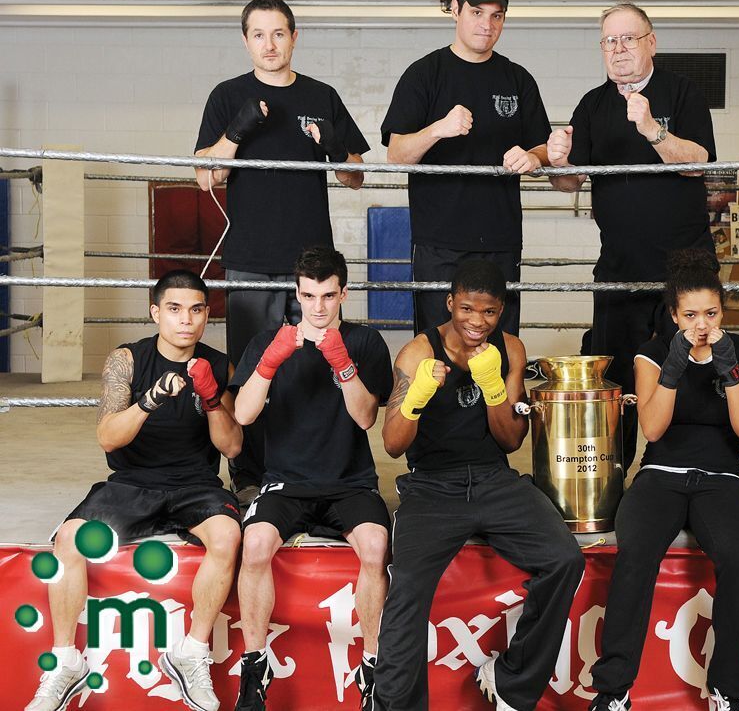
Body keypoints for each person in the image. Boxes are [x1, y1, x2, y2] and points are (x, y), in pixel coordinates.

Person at [24, 270, 243, 711]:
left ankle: (191, 652)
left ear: (206, 315)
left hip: (194, 485)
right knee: (69, 539)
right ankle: (66, 661)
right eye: (175, 309)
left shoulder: (219, 365)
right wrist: (150, 400)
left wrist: (212, 400)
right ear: (155, 312)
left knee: (229, 536)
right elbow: (108, 437)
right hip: (133, 483)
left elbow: (233, 445)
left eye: (197, 310)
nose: (187, 320)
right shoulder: (127, 359)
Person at [372, 259, 585, 711]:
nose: (476, 321)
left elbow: (510, 439)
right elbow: (392, 445)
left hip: (493, 480)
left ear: (501, 311)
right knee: (407, 584)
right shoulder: (417, 353)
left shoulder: (510, 349)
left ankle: (511, 681)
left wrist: (492, 386)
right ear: (451, 303)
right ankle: (392, 705)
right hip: (431, 486)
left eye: (488, 312)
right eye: (467, 308)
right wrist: (414, 401)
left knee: (565, 559)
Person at [195, 0, 370, 502]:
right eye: (258, 34)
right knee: (250, 370)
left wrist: (336, 145)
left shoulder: (322, 94)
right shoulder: (227, 96)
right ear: (245, 40)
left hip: (313, 269)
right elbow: (207, 176)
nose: (269, 45)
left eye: (279, 34)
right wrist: (236, 131)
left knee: (317, 366)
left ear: (294, 37)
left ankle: (316, 468)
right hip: (249, 258)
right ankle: (249, 475)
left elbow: (355, 175)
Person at [588, 249, 739, 711]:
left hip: (722, 477)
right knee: (635, 553)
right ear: (673, 315)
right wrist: (675, 363)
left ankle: (729, 691)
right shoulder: (652, 353)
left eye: (710, 313)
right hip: (660, 475)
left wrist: (727, 369)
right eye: (690, 314)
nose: (702, 324)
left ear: (723, 311)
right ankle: (613, 691)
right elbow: (652, 429)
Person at [546, 1, 717, 471]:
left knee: (688, 369)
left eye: (629, 39)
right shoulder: (592, 104)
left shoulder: (683, 93)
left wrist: (651, 129)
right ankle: (613, 473)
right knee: (616, 377)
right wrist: (558, 163)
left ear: (651, 43)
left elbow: (699, 161)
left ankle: (683, 470)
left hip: (684, 270)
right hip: (619, 266)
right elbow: (569, 182)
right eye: (609, 41)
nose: (619, 49)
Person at [228, 246, 392, 711]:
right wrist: (269, 363)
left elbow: (364, 420)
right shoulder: (267, 341)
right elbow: (242, 413)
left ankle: (372, 669)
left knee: (376, 547)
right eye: (308, 296)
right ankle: (254, 670)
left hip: (350, 481)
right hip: (285, 481)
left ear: (344, 292)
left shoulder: (364, 342)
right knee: (255, 545)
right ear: (296, 293)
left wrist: (343, 365)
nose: (318, 308)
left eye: (328, 296)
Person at [381, 0, 551, 336]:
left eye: (496, 15)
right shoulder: (424, 75)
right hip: (439, 242)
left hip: (500, 240)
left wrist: (535, 157)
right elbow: (397, 154)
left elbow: (543, 145)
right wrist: (438, 129)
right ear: (456, 9)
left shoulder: (517, 79)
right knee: (436, 349)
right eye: (477, 12)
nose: (486, 24)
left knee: (500, 347)